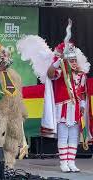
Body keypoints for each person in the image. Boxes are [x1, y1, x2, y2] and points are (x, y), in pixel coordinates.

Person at [16, 19, 91, 172]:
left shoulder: (81, 74)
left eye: (75, 59)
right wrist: (58, 61)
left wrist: (83, 105)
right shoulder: (60, 72)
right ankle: (64, 162)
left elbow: (83, 92)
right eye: (71, 60)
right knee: (63, 136)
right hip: (63, 107)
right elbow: (50, 74)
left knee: (74, 137)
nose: (74, 62)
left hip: (76, 109)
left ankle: (72, 162)